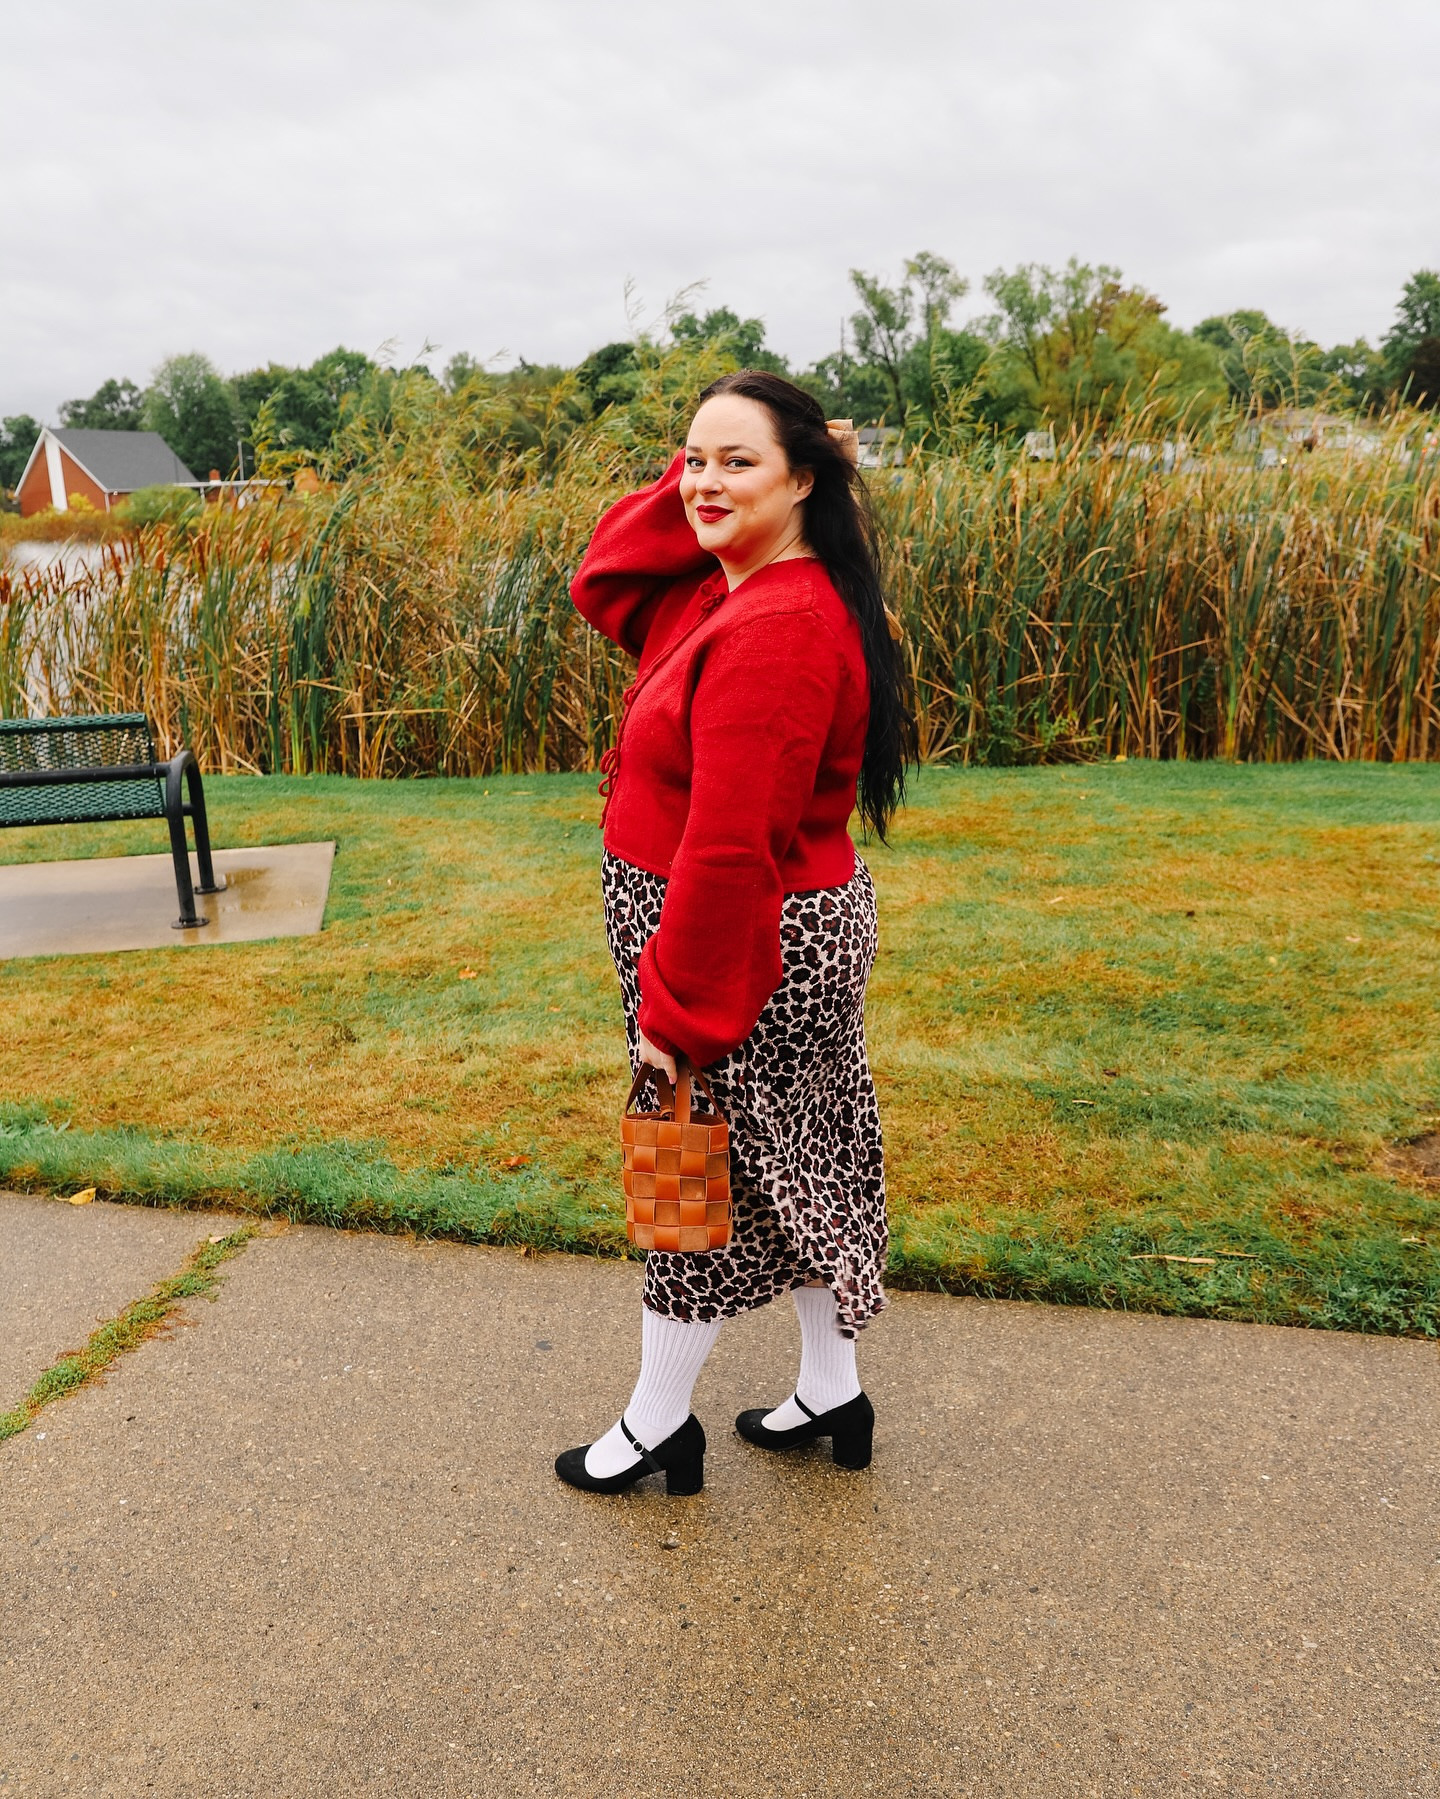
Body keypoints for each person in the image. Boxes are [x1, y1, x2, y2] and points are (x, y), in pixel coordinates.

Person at [555, 370, 913, 1496]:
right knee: (799, 1159)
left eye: (736, 461)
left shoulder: (780, 627)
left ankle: (659, 1421)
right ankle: (831, 1390)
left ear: (805, 481)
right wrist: (705, 488)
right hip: (762, 932)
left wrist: (678, 1011)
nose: (703, 482)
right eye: (691, 458)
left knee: (687, 1174)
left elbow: (728, 845)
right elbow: (603, 574)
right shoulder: (724, 592)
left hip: (739, 943)